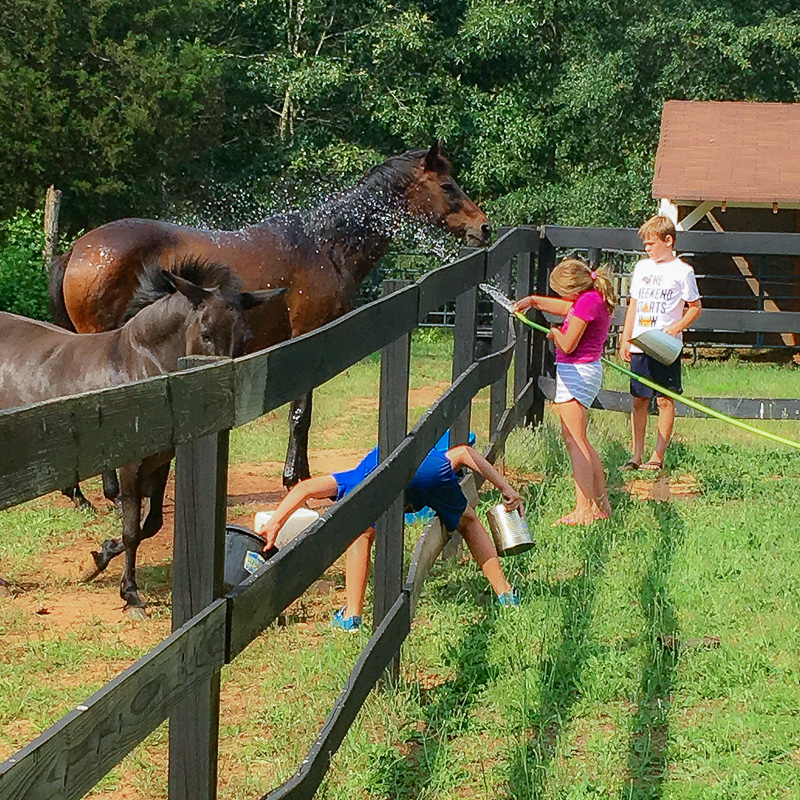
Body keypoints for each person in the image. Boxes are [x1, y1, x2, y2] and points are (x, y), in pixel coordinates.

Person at [259, 444, 523, 631]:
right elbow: (465, 452)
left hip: (383, 475)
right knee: (469, 521)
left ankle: (352, 616)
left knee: (360, 534)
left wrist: (275, 523)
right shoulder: (438, 457)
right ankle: (506, 595)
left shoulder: (352, 480)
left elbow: (305, 488)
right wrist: (506, 488)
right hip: (432, 471)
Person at [512, 258, 616, 525]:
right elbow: (566, 308)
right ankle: (600, 505)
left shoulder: (586, 302)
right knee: (580, 440)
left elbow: (568, 345)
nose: (559, 297)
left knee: (575, 442)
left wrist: (555, 334)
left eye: (560, 290)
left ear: (572, 289)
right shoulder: (589, 299)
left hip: (577, 373)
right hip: (582, 372)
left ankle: (583, 510)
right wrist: (533, 301)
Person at [619, 215, 702, 472]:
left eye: (652, 244)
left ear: (669, 240)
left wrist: (675, 328)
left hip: (665, 346)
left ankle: (657, 455)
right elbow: (633, 304)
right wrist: (625, 338)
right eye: (645, 245)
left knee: (665, 399)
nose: (647, 249)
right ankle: (636, 454)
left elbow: (694, 307)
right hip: (640, 343)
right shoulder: (643, 268)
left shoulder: (682, 271)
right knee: (639, 399)